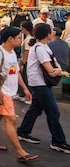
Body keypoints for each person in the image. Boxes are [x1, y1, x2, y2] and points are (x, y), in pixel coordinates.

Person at [0, 27, 38, 163]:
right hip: (3, 92)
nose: (21, 40)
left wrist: (25, 88)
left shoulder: (12, 52)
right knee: (11, 120)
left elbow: (16, 72)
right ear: (10, 39)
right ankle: (20, 152)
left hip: (9, 91)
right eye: (19, 38)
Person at [17, 23, 70, 154]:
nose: (53, 32)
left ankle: (23, 132)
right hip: (40, 83)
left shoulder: (43, 46)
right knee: (53, 112)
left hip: (39, 83)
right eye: (51, 30)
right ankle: (58, 142)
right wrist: (61, 72)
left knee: (35, 109)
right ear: (47, 34)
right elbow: (50, 70)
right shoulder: (40, 48)